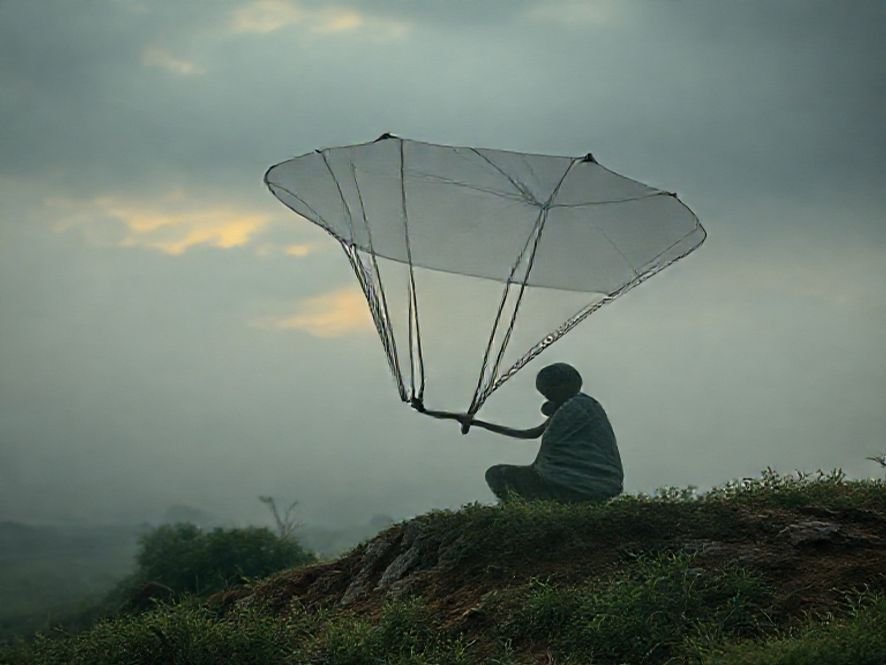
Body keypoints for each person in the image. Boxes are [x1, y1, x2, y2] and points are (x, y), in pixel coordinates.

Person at [413, 363, 623, 503]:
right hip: (583, 480)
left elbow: (531, 434)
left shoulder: (577, 408)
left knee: (499, 475)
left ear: (563, 386)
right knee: (498, 474)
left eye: (550, 391)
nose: (548, 398)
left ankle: (526, 512)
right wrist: (473, 422)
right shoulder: (576, 407)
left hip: (573, 481)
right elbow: (529, 433)